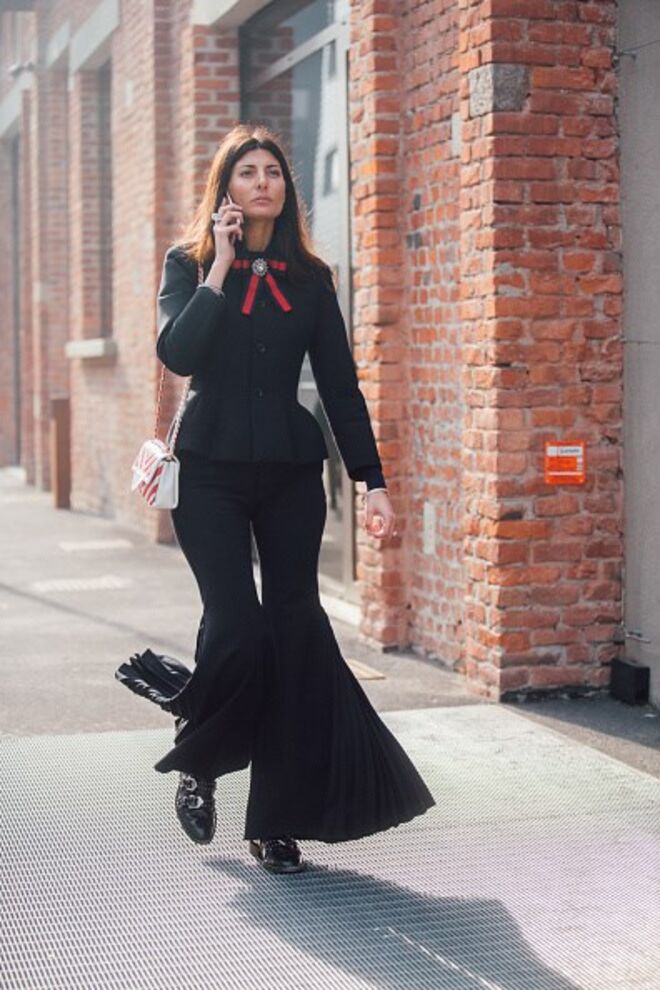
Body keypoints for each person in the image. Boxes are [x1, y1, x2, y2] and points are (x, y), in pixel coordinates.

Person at [116, 124, 435, 874]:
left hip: (292, 471)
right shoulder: (188, 263)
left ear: (286, 189)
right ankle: (199, 761)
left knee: (294, 632)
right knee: (237, 625)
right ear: (225, 188)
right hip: (209, 473)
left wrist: (373, 482)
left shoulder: (312, 278)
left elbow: (340, 386)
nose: (263, 183)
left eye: (273, 173)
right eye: (247, 172)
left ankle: (277, 820)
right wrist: (222, 268)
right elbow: (178, 353)